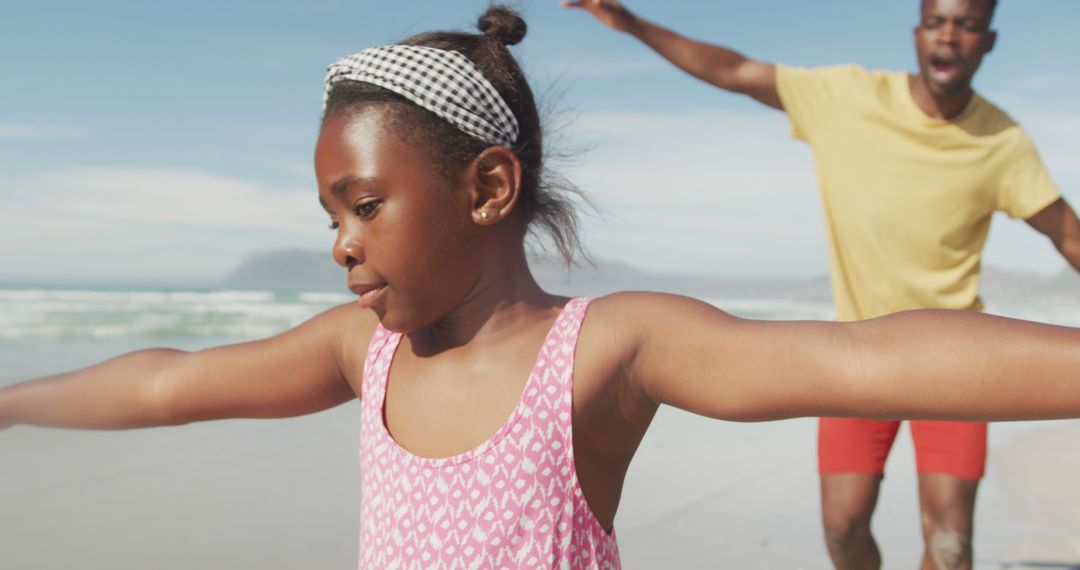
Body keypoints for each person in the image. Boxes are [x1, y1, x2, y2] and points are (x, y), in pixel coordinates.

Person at [2, 5, 1079, 570]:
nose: (342, 243)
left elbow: (865, 355)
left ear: (488, 186)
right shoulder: (357, 352)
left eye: (365, 205)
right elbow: (165, 384)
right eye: (328, 215)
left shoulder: (609, 348)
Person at [565, 0, 1080, 568]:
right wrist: (633, 24)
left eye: (968, 24)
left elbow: (1067, 234)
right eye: (938, 22)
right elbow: (734, 71)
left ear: (989, 42)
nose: (951, 36)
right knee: (841, 528)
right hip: (855, 354)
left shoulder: (1002, 141)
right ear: (917, 35)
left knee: (950, 540)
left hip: (956, 354)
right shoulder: (847, 99)